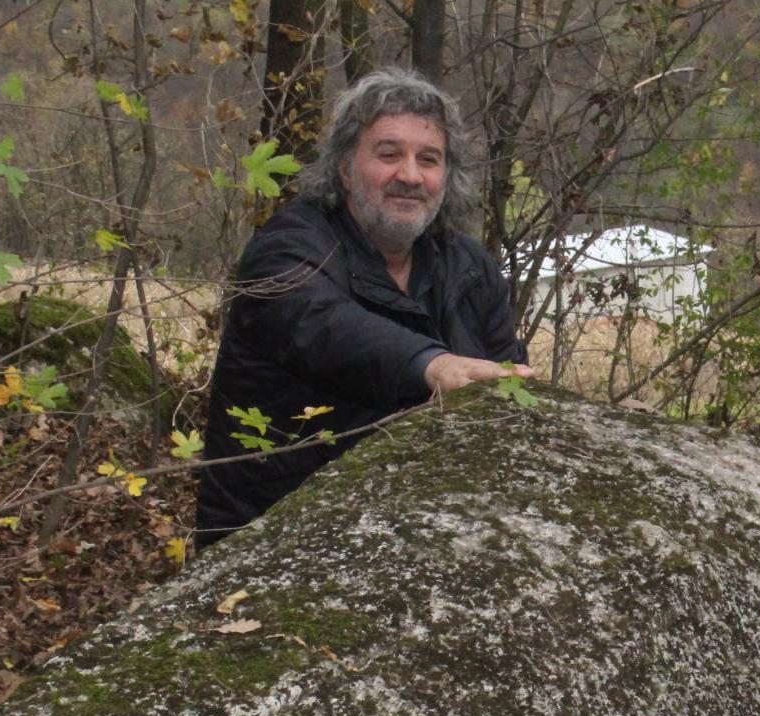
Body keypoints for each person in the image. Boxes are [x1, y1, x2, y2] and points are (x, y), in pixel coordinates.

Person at [197, 69, 536, 547]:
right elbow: (323, 329)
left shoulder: (470, 267)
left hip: (420, 529)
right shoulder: (287, 249)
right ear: (344, 168)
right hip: (274, 539)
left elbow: (508, 386)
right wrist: (431, 365)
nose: (410, 176)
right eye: (388, 154)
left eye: (429, 159)